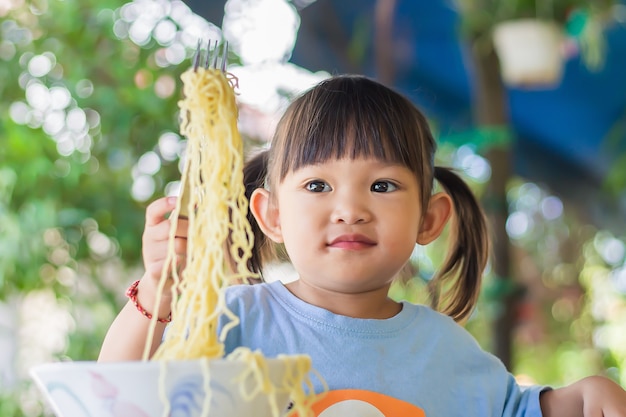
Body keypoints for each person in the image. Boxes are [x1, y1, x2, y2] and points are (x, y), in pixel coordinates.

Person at [99, 75, 626, 416]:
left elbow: (518, 410)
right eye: (317, 186)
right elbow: (113, 397)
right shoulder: (231, 322)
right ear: (271, 216)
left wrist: (581, 397)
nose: (349, 208)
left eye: (382, 185)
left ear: (429, 219)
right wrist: (157, 293)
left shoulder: (446, 352)